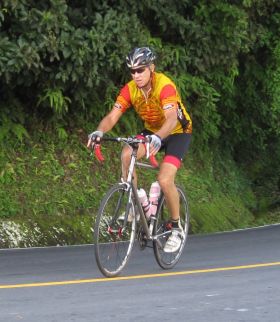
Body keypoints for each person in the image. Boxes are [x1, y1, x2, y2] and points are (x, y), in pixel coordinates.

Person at [87, 47, 192, 252]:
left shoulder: (165, 86)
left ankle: (176, 226)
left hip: (178, 131)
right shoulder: (130, 89)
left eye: (140, 70)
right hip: (152, 130)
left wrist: (157, 138)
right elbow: (112, 116)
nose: (136, 75)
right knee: (127, 153)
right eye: (133, 71)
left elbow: (171, 119)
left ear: (151, 68)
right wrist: (99, 131)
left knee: (164, 179)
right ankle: (136, 203)